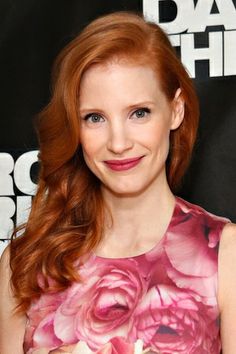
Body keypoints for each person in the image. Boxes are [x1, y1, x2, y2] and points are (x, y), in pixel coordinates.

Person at [0, 11, 236, 354]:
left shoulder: (226, 256)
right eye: (95, 118)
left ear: (176, 110)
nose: (119, 142)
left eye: (139, 112)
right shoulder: (25, 262)